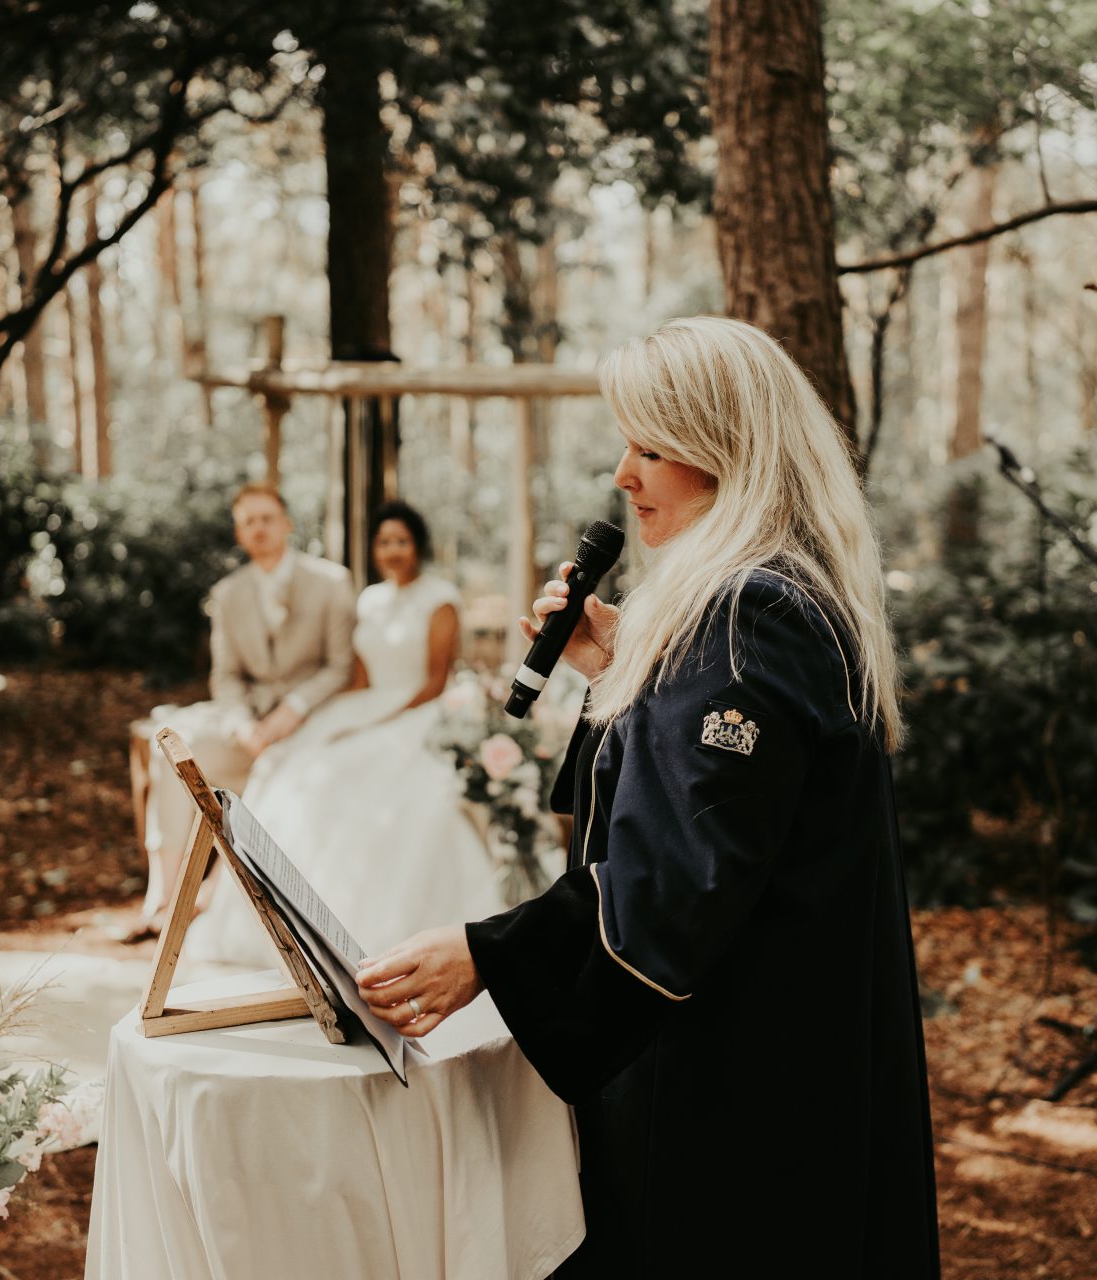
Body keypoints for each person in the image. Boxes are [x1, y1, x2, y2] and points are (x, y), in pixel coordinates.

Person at [355, 317, 943, 1276]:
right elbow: (687, 807)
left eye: (652, 447)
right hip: (787, 1034)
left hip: (744, 1068)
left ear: (729, 456)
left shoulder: (750, 616)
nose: (623, 476)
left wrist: (489, 954)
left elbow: (680, 874)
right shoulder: (779, 600)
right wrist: (620, 674)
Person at [182, 501, 507, 967]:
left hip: (420, 708)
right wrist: (335, 717)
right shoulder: (369, 598)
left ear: (417, 546)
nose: (392, 551)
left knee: (376, 780)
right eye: (384, 542)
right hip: (366, 702)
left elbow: (435, 679)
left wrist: (379, 719)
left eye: (401, 541)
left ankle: (358, 926)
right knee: (296, 762)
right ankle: (262, 912)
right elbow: (357, 672)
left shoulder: (440, 598)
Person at [136, 484, 356, 937]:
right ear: (239, 533)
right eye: (248, 521)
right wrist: (240, 724)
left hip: (313, 722)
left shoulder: (331, 581)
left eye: (267, 518)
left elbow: (340, 667)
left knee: (274, 774)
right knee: (175, 754)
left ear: (287, 524)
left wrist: (291, 712)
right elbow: (226, 676)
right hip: (250, 723)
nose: (259, 528)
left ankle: (219, 901)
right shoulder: (229, 593)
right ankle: (163, 896)